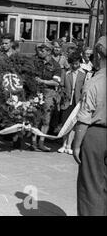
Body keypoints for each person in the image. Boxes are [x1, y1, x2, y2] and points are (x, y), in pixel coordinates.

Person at [72, 36, 106, 216]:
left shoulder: (94, 82)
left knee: (91, 187)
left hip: (97, 135)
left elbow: (85, 118)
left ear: (99, 56)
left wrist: (76, 145)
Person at [31, 42, 61, 152]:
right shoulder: (36, 62)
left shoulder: (55, 65)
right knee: (35, 118)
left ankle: (41, 143)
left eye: (42, 51)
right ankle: (33, 143)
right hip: (36, 92)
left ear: (49, 52)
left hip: (49, 94)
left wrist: (42, 81)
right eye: (39, 50)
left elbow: (56, 82)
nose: (40, 52)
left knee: (46, 120)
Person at [58, 52, 85, 155]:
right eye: (72, 63)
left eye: (77, 63)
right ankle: (63, 144)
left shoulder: (84, 74)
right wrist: (62, 93)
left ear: (79, 63)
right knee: (65, 123)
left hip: (77, 102)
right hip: (66, 101)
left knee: (73, 124)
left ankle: (69, 145)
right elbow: (61, 86)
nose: (74, 66)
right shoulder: (66, 73)